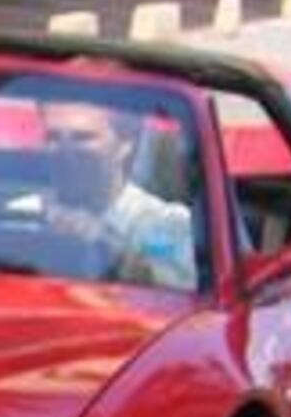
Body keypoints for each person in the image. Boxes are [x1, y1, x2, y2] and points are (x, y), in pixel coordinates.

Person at [37, 99, 197, 289]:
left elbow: (185, 291)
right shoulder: (22, 214)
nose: (65, 151)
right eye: (53, 137)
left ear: (125, 144)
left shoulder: (166, 224)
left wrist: (109, 249)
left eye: (82, 138)